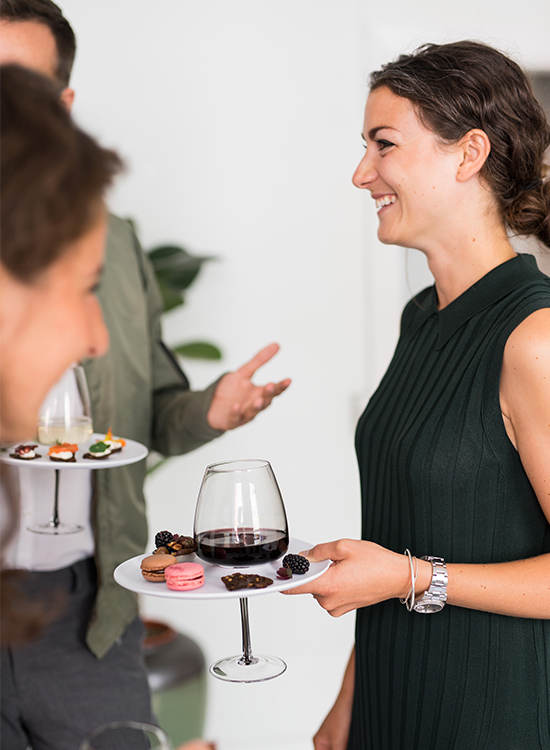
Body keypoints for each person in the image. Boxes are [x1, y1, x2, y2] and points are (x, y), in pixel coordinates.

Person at [0, 1, 289, 747]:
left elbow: (153, 406)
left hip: (85, 613)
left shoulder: (117, 242)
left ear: (62, 106)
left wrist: (209, 411)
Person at [285, 40, 550, 749]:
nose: (360, 174)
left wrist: (406, 577)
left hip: (489, 712)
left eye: (384, 145)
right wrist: (352, 693)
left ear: (467, 154)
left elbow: (400, 567)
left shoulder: (535, 337)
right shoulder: (423, 317)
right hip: (390, 693)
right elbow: (404, 531)